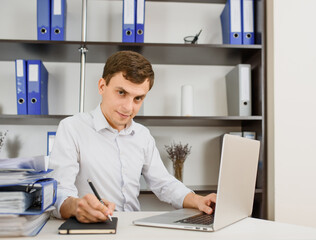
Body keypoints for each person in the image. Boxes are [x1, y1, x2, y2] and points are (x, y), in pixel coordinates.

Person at [49, 50, 216, 223]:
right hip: (92, 228)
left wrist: (197, 200)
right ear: (101, 86)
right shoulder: (72, 128)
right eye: (121, 93)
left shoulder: (142, 135)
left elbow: (164, 183)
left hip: (133, 228)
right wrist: (77, 206)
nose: (128, 107)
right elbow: (59, 192)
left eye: (138, 98)